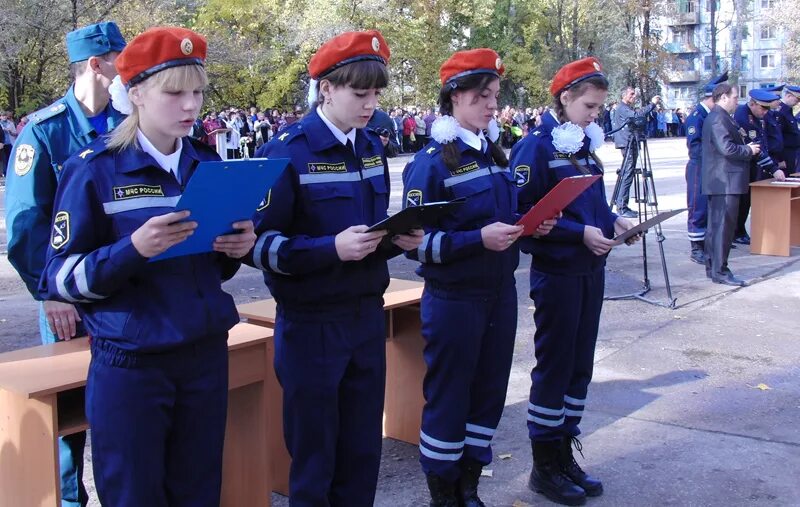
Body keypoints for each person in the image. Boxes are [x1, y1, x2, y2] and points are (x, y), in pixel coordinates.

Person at [38, 26, 256, 506]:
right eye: (174, 92)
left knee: (199, 491)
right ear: (134, 93)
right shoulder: (93, 169)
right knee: (135, 493)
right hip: (132, 364)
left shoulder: (205, 162)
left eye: (197, 92)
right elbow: (58, 277)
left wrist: (234, 248)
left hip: (202, 354)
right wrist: (132, 248)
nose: (190, 106)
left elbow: (206, 271)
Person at [248, 30, 423, 505]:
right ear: (326, 89)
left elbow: (368, 236)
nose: (370, 104)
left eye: (376, 94)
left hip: (366, 315)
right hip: (312, 326)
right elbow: (256, 246)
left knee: (362, 453)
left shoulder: (370, 146)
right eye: (359, 93)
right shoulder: (286, 151)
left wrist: (397, 240)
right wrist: (330, 249)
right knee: (314, 457)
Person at [402, 49, 554, 507]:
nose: (492, 105)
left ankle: (470, 484)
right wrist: (476, 241)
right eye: (481, 96)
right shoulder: (431, 163)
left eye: (494, 95)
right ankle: (444, 493)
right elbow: (413, 242)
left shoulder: (491, 151)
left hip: (498, 292)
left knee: (488, 391)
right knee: (450, 395)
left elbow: (500, 216)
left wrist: (530, 222)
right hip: (455, 298)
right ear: (453, 98)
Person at [4, 22, 127, 507]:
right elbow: (25, 226)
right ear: (96, 65)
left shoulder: (125, 122)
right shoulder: (45, 130)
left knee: (118, 406)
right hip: (68, 295)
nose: (128, 70)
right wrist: (52, 292)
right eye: (121, 59)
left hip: (119, 283)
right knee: (67, 418)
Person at [512, 57, 639, 506]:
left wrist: (616, 221)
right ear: (564, 98)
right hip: (559, 272)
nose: (595, 114)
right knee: (555, 366)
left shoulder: (582, 143)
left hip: (590, 269)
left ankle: (565, 454)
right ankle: (544, 467)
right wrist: (576, 233)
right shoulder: (536, 147)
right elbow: (523, 217)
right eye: (589, 105)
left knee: (579, 367)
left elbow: (592, 205)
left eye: (600, 107)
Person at [702, 83, 760, 287]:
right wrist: (748, 150)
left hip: (723, 181)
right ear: (724, 97)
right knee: (722, 228)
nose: (738, 100)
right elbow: (727, 148)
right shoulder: (718, 118)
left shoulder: (721, 117)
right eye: (735, 97)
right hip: (725, 182)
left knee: (716, 227)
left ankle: (713, 267)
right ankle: (720, 271)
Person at [732, 89, 785, 245]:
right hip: (743, 165)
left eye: (767, 109)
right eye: (763, 108)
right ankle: (736, 232)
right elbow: (754, 147)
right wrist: (773, 168)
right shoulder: (743, 116)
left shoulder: (758, 114)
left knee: (747, 200)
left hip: (754, 164)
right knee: (742, 201)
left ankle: (739, 231)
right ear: (753, 104)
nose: (765, 112)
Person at [685, 72, 727, 264]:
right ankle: (696, 249)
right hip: (699, 167)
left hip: (710, 167)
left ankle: (707, 243)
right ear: (713, 98)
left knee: (709, 206)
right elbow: (695, 146)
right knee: (698, 206)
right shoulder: (696, 116)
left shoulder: (709, 115)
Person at [611, 87, 658, 218]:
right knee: (627, 174)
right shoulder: (622, 108)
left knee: (629, 173)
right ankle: (621, 206)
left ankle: (623, 205)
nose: (634, 96)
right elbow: (637, 116)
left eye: (634, 94)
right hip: (627, 143)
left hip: (632, 141)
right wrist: (652, 104)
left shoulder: (626, 108)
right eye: (631, 94)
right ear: (624, 95)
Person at [775, 85, 800, 175]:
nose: (797, 103)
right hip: (785, 153)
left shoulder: (788, 111)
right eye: (797, 100)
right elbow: (778, 136)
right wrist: (780, 159)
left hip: (792, 152)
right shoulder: (781, 112)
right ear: (789, 96)